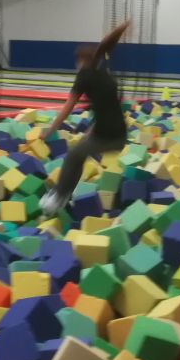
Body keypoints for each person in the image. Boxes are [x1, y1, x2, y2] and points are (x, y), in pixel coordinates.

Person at [39, 21, 131, 216]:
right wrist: (91, 130)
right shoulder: (103, 74)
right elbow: (107, 106)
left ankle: (57, 198)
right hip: (119, 133)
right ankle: (65, 194)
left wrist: (49, 130)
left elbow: (67, 108)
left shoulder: (84, 76)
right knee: (79, 153)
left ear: (80, 60)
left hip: (107, 136)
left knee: (73, 156)